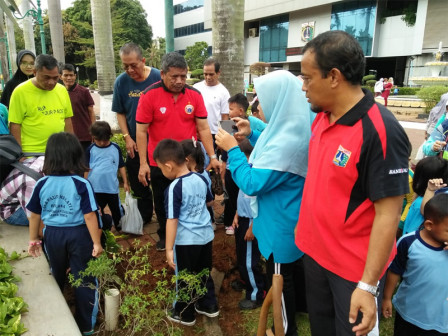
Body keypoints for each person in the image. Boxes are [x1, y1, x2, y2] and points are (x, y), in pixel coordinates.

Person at [295, 30, 410, 336]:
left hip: (351, 271)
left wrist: (368, 285)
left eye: (307, 78)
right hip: (315, 255)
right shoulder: (322, 117)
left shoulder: (381, 130)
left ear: (333, 77)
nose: (303, 87)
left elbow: (388, 215)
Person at [216, 70, 313, 336]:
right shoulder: (293, 126)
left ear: (280, 100)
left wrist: (232, 150)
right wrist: (253, 131)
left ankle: (284, 329)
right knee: (285, 277)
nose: (260, 105)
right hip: (284, 218)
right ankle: (292, 316)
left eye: (264, 99)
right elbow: (272, 145)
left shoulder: (290, 141)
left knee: (280, 281)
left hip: (281, 226)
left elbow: (252, 182)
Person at [135, 51, 220, 251]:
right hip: (161, 163)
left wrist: (213, 156)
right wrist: (143, 163)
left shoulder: (195, 95)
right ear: (163, 74)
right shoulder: (149, 96)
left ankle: (192, 231)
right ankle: (166, 237)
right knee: (163, 201)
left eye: (183, 76)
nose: (180, 81)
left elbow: (203, 128)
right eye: (174, 76)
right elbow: (141, 131)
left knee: (191, 198)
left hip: (188, 161)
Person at [26, 132, 103, 336]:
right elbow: (89, 216)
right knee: (84, 276)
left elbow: (34, 214)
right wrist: (96, 242)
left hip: (52, 235)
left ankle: (55, 317)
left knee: (56, 274)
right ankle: (86, 326)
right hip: (79, 234)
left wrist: (34, 239)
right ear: (76, 157)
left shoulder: (41, 184)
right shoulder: (81, 183)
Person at [153, 139, 219, 326]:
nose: (162, 172)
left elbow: (172, 220)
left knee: (184, 278)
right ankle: (208, 305)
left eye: (161, 169)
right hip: (205, 238)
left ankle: (184, 314)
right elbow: (209, 202)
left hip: (186, 243)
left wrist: (168, 249)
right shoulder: (200, 177)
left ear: (169, 165)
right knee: (203, 273)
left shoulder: (174, 187)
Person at [382, 193, 448, 336]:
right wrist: (386, 298)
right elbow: (394, 271)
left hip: (442, 320)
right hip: (409, 315)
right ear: (429, 225)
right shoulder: (408, 243)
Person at [112, 42, 161, 225]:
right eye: (125, 66)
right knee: (139, 180)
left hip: (157, 141)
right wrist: (127, 137)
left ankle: (165, 214)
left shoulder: (157, 77)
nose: (130, 70)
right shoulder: (121, 82)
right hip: (135, 140)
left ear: (143, 60)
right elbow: (120, 111)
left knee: (160, 178)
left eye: (134, 65)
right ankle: (145, 214)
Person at [8, 54, 74, 154]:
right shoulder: (20, 92)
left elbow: (67, 120)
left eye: (55, 78)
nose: (51, 82)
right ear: (35, 72)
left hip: (60, 152)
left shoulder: (62, 90)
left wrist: (71, 147)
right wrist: (19, 154)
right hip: (32, 153)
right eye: (46, 77)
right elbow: (15, 125)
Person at [231, 139, 265, 310]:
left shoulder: (256, 175)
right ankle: (246, 281)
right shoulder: (246, 173)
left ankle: (256, 294)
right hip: (243, 218)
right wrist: (237, 214)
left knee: (249, 260)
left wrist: (253, 226)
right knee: (242, 255)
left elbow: (258, 204)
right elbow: (241, 197)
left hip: (252, 221)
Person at [86, 121, 129, 231]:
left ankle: (119, 227)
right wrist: (85, 185)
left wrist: (125, 182)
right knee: (97, 211)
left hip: (111, 188)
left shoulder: (115, 148)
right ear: (93, 137)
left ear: (109, 136)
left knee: (116, 210)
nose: (101, 142)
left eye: (104, 140)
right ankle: (101, 228)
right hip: (95, 188)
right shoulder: (90, 149)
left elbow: (121, 166)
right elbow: (86, 168)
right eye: (98, 140)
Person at [402, 156, 447, 235]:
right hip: (410, 236)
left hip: (413, 238)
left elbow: (425, 211)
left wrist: (429, 189)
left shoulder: (429, 200)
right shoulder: (424, 196)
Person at [180, 138, 216, 230]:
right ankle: (211, 222)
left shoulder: (191, 177)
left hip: (197, 210)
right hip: (205, 208)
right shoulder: (204, 172)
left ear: (186, 160)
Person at [61, 63, 96, 152]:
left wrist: (94, 132)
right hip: (66, 138)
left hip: (84, 136)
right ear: (60, 77)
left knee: (84, 163)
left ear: (75, 76)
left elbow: (91, 112)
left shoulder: (84, 91)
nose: (69, 78)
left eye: (71, 75)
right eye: (66, 75)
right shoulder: (58, 93)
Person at [193, 57, 230, 140]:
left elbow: (225, 117)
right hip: (196, 132)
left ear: (218, 73)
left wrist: (224, 138)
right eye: (205, 74)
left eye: (211, 74)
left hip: (214, 134)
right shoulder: (196, 88)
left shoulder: (224, 92)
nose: (208, 77)